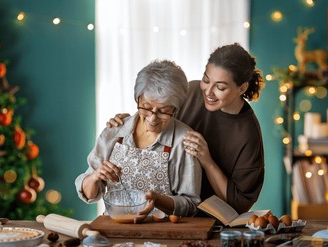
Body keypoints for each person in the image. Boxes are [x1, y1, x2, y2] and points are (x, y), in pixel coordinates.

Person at [107, 43, 265, 214]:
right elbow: (156, 115)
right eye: (206, 80)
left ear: (242, 88)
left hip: (209, 221)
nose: (208, 92)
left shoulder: (248, 134)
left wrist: (207, 160)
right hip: (164, 210)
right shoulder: (191, 92)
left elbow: (239, 203)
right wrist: (129, 121)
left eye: (220, 87)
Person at [75, 59, 202, 218]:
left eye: (163, 111)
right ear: (138, 99)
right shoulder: (114, 132)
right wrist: (95, 177)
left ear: (175, 108)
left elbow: (190, 205)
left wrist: (158, 200)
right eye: (146, 107)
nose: (153, 118)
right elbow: (89, 194)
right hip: (117, 228)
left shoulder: (184, 141)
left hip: (163, 232)